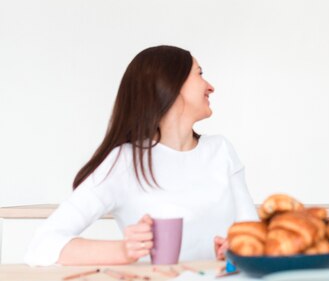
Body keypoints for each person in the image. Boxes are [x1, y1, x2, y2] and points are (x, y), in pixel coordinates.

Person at [25, 45, 258, 266]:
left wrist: (240, 249)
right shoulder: (125, 161)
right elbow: (42, 245)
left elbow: (254, 235)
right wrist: (124, 251)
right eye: (199, 74)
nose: (210, 86)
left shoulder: (221, 150)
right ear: (171, 84)